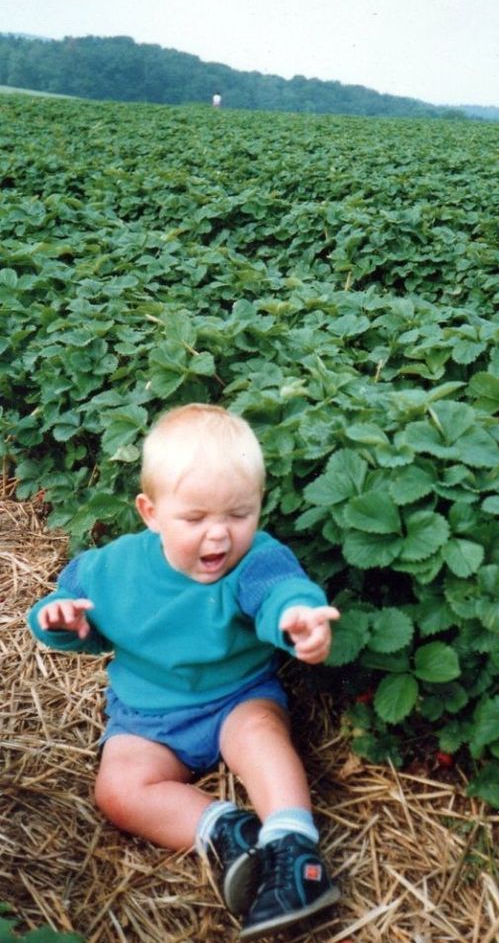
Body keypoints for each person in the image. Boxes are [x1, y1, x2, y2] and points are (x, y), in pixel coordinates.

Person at [27, 403, 341, 940]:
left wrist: (297, 619)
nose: (218, 536)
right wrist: (57, 620)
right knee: (119, 790)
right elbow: (67, 609)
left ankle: (294, 848)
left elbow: (279, 593)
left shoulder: (256, 559)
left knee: (261, 734)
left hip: (236, 697)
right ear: (150, 513)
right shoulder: (112, 569)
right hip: (148, 717)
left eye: (239, 515)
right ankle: (225, 832)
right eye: (194, 519)